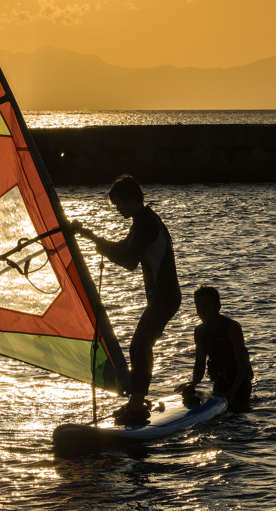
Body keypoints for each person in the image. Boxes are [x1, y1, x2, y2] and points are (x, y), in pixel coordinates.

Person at [71, 175, 181, 424]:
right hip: (162, 298)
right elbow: (124, 247)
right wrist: (89, 236)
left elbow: (128, 260)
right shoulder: (143, 220)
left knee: (139, 347)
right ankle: (137, 402)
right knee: (142, 346)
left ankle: (137, 406)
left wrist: (91, 238)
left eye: (119, 204)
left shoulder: (146, 223)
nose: (118, 209)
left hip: (164, 298)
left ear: (131, 201)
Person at [176, 286, 254, 413]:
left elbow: (242, 364)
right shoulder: (199, 331)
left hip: (240, 385)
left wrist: (233, 391)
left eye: (206, 307)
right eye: (198, 308)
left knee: (236, 417)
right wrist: (193, 383)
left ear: (218, 306)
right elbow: (199, 364)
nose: (201, 312)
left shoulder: (232, 328)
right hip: (219, 384)